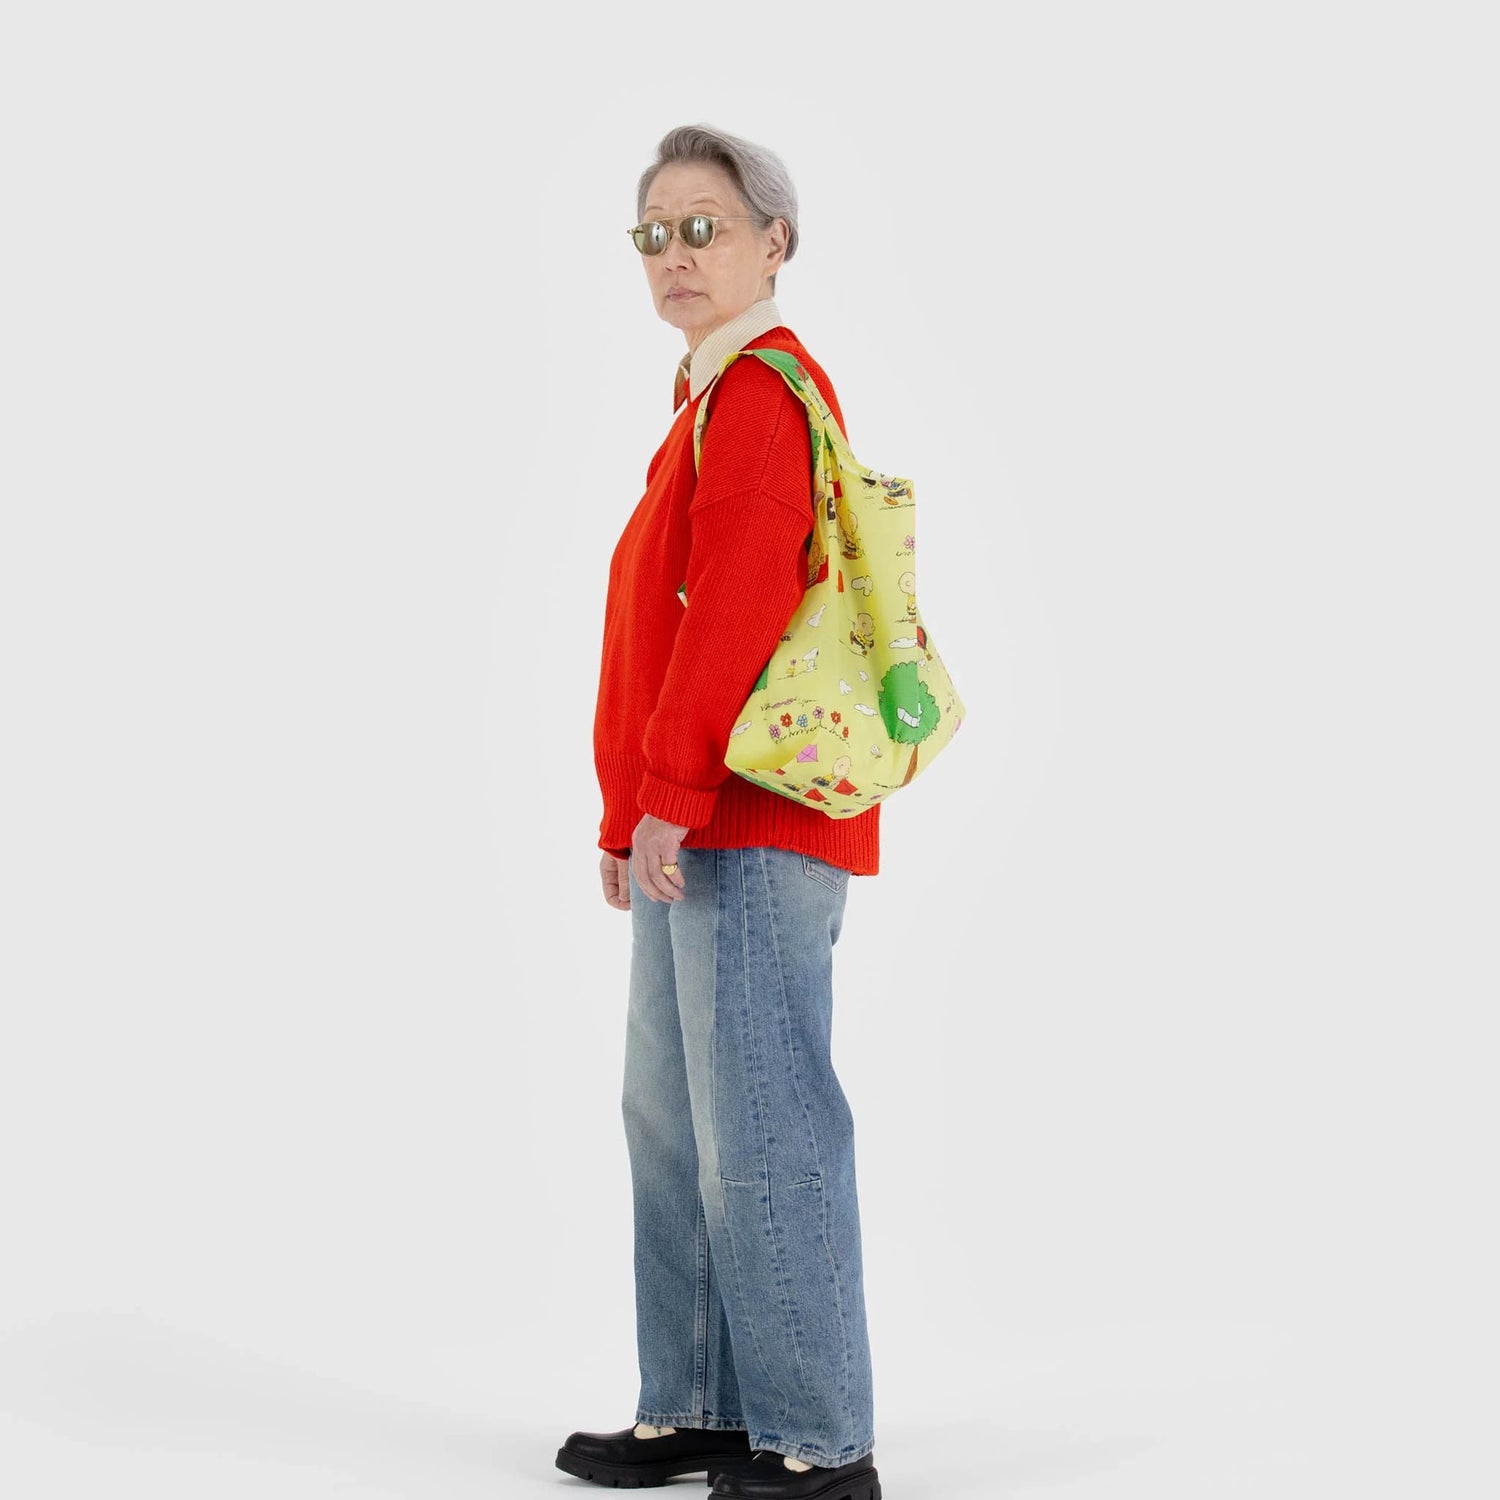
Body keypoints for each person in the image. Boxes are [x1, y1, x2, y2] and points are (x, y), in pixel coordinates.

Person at [553, 125, 883, 1500]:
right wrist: (627, 813)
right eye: (656, 233)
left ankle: (818, 1442)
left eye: (706, 227)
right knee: (678, 1119)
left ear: (773, 243)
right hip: (691, 824)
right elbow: (653, 637)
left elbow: (736, 611)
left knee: (762, 1122)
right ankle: (698, 1400)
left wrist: (673, 797)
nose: (676, 254)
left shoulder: (758, 394)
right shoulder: (702, 402)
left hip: (745, 819)